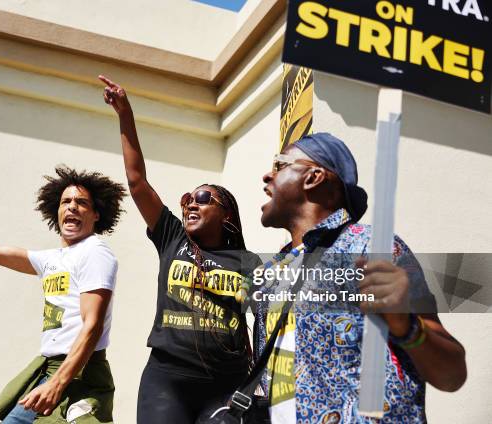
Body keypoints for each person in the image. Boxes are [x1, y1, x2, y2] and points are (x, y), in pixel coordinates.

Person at [257, 133, 466, 423]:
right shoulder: (272, 273)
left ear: (314, 177)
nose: (267, 176)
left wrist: (407, 325)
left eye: (279, 166)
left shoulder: (370, 248)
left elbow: (452, 375)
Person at [99, 75, 262, 424]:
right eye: (188, 198)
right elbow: (137, 182)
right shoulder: (173, 237)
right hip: (168, 378)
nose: (191, 203)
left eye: (203, 199)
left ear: (227, 214)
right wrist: (125, 115)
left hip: (226, 382)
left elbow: (266, 320)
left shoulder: (248, 262)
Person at [0, 166, 126, 424]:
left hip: (80, 374)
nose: (72, 206)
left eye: (81, 202)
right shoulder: (51, 259)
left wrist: (58, 383)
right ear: (57, 211)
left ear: (96, 214)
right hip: (48, 369)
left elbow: (92, 325)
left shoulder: (94, 252)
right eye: (66, 202)